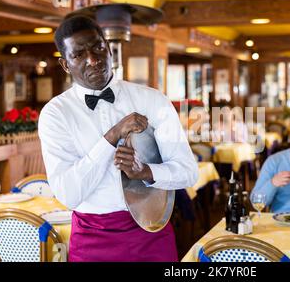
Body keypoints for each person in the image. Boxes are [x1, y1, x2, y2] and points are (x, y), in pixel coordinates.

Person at [38, 15, 198, 262]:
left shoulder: (153, 100)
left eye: (98, 48)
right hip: (92, 240)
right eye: (78, 55)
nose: (93, 60)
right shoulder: (55, 114)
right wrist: (112, 136)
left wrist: (145, 172)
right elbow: (68, 194)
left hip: (151, 233)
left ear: (109, 49)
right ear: (65, 65)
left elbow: (188, 172)